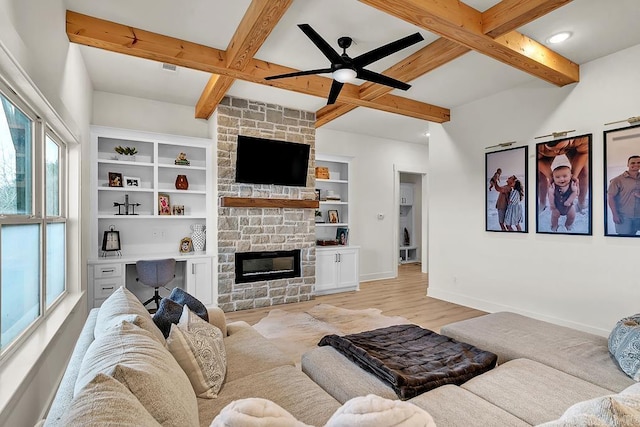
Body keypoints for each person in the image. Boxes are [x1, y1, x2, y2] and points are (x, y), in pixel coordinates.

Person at [537, 136, 589, 213]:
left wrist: (574, 176)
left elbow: (583, 153)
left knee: (583, 172)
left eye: (560, 149)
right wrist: (551, 177)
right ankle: (542, 203)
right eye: (553, 150)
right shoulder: (539, 146)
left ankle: (581, 203)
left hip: (573, 148)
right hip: (543, 154)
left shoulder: (581, 138)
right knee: (539, 175)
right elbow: (538, 160)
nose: (556, 152)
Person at [607, 155, 640, 236]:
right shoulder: (617, 180)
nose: (636, 165)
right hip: (624, 217)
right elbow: (610, 197)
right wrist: (615, 215)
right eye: (633, 163)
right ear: (628, 164)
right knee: (623, 241)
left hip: (639, 217)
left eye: (639, 162)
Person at [549, 165, 578, 232]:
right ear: (553, 178)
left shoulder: (572, 185)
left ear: (570, 176)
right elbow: (551, 196)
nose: (561, 179)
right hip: (557, 207)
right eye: (557, 177)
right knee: (554, 217)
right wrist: (552, 205)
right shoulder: (553, 187)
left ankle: (568, 225)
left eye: (565, 176)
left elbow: (575, 193)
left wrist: (569, 200)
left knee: (572, 216)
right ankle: (554, 226)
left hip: (569, 207)